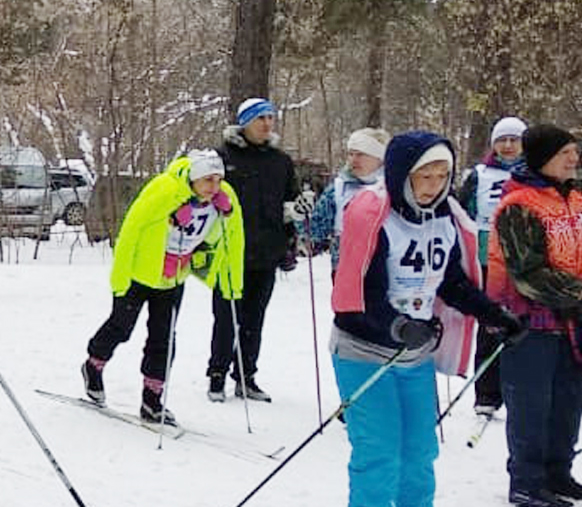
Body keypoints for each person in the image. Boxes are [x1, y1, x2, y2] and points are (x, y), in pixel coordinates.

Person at [331, 132, 527, 507]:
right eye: (424, 176)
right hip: (365, 352)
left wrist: (495, 316)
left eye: (442, 175)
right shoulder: (374, 216)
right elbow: (354, 296)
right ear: (403, 175)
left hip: (414, 353)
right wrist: (396, 325)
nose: (433, 185)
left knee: (419, 449)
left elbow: (452, 283)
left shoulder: (444, 220)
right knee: (379, 451)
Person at [488, 123, 582, 507]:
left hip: (571, 321)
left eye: (574, 151)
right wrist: (576, 295)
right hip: (528, 321)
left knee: (568, 398)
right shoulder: (518, 205)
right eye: (565, 153)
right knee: (532, 402)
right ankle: (527, 480)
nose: (574, 159)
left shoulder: (576, 199)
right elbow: (526, 270)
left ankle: (559, 471)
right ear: (543, 160)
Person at [80, 149, 244, 426]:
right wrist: (120, 277)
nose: (213, 187)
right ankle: (93, 364)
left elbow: (226, 240)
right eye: (207, 180)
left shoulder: (221, 201)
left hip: (172, 278)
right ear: (193, 179)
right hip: (139, 274)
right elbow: (131, 230)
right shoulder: (164, 191)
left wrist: (226, 219)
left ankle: (152, 399)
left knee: (163, 338)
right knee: (121, 327)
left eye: (218, 180)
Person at [209, 97, 301, 402]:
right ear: (244, 122)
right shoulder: (223, 157)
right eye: (260, 118)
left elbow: (290, 204)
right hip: (230, 252)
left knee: (255, 318)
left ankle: (246, 375)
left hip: (267, 251)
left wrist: (291, 242)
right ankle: (217, 374)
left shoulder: (280, 161)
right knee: (226, 316)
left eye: (270, 118)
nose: (266, 124)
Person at [455, 116, 526, 416]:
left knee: (523, 326)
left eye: (514, 140)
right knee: (490, 324)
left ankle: (521, 389)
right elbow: (462, 212)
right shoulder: (479, 175)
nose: (508, 146)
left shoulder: (534, 174)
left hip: (523, 260)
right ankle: (487, 393)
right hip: (488, 259)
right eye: (502, 140)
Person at [302, 127, 389, 268]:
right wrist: (301, 216)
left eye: (361, 154)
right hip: (346, 270)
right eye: (351, 154)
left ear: (379, 158)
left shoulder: (393, 187)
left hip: (386, 269)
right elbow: (315, 232)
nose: (353, 160)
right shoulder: (338, 188)